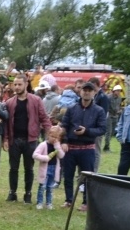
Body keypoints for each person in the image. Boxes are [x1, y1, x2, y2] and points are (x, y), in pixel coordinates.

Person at [2, 73, 52, 204]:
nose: (17, 87)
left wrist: (51, 133)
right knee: (13, 168)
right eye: (15, 84)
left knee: (29, 168)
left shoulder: (36, 100)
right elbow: (6, 123)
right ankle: (12, 193)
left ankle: (28, 194)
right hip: (14, 140)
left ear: (26, 84)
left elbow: (44, 118)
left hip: (30, 140)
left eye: (19, 84)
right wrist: (6, 139)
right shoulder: (9, 103)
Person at [60, 81, 106, 211]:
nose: (86, 92)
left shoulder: (99, 111)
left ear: (94, 93)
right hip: (71, 147)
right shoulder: (72, 109)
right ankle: (68, 200)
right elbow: (64, 126)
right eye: (84, 90)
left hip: (87, 148)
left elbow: (102, 129)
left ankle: (86, 202)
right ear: (80, 92)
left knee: (87, 177)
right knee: (68, 175)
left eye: (89, 90)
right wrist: (64, 140)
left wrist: (87, 131)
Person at [33, 125, 65, 210]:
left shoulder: (57, 146)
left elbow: (61, 156)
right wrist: (45, 158)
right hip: (45, 169)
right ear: (48, 135)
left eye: (56, 137)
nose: (54, 139)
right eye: (52, 136)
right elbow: (35, 155)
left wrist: (57, 146)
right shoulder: (43, 145)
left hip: (54, 169)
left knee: (50, 187)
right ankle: (39, 202)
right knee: (42, 186)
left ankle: (49, 203)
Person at [104, 84, 123, 152]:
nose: (118, 92)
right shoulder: (108, 97)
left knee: (112, 132)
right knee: (108, 132)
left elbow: (119, 106)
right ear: (114, 91)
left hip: (116, 116)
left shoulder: (120, 98)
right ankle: (107, 147)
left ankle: (106, 145)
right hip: (109, 115)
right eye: (117, 91)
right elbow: (106, 107)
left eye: (119, 91)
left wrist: (120, 110)